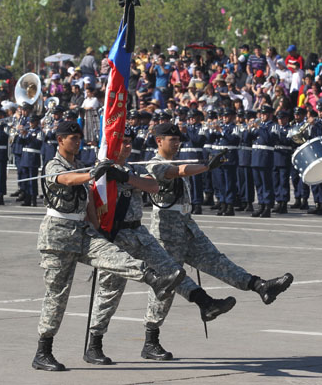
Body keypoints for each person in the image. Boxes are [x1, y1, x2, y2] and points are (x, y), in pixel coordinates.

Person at [32, 121, 186, 372]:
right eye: (73, 137)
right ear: (60, 140)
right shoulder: (55, 164)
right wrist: (93, 173)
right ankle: (43, 351)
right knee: (57, 296)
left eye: (80, 137)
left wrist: (98, 229)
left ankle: (153, 278)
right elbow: (68, 180)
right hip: (57, 236)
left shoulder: (77, 164)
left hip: (83, 232)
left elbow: (89, 202)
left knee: (114, 255)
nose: (77, 141)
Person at [141, 122, 293, 359]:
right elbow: (175, 172)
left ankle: (260, 286)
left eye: (179, 139)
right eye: (172, 139)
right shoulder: (153, 164)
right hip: (166, 235)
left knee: (218, 261)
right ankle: (151, 340)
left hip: (188, 229)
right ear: (158, 141)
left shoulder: (179, 162)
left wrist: (202, 167)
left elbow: (182, 170)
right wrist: (205, 167)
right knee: (166, 286)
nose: (177, 142)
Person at [84, 128, 236, 365]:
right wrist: (103, 174)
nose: (126, 147)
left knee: (172, 271)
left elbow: (152, 186)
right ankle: (94, 345)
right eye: (121, 143)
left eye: (128, 143)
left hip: (138, 233)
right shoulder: (101, 173)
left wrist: (123, 176)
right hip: (115, 237)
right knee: (109, 293)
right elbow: (91, 202)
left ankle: (202, 305)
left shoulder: (131, 170)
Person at [247, 105, 278, 217]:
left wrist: (259, 128)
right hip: (255, 157)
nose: (262, 116)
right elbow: (246, 139)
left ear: (270, 115)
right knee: (258, 184)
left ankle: (267, 206)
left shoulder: (273, 126)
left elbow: (268, 139)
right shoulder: (259, 126)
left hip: (265, 157)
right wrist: (249, 129)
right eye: (261, 114)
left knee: (266, 183)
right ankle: (261, 204)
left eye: (265, 114)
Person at [18, 114, 42, 207]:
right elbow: (20, 142)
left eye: (32, 122)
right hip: (25, 157)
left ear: (36, 122)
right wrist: (21, 134)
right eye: (30, 122)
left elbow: (38, 143)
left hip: (33, 158)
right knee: (25, 180)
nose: (30, 124)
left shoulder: (39, 132)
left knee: (32, 180)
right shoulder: (27, 131)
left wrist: (27, 135)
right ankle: (27, 198)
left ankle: (33, 199)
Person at [272, 110, 293, 214]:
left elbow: (289, 141)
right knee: (275, 181)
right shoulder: (275, 128)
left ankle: (284, 202)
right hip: (275, 156)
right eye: (279, 119)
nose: (280, 121)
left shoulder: (290, 129)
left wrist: (279, 136)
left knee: (283, 181)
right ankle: (278, 200)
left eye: (282, 118)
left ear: (286, 119)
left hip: (284, 156)